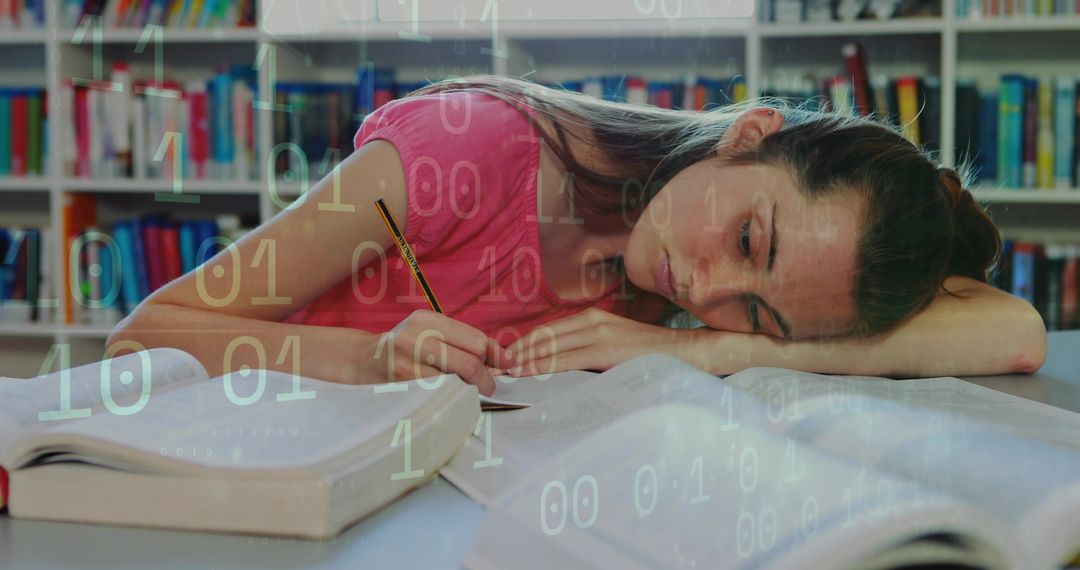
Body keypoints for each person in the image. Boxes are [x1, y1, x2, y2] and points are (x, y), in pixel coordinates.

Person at [108, 75, 1046, 396]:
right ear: (748, 135)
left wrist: (716, 351)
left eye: (759, 313)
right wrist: (368, 360)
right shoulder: (467, 150)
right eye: (748, 241)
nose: (706, 292)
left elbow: (1014, 331)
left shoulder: (678, 309)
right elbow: (144, 335)